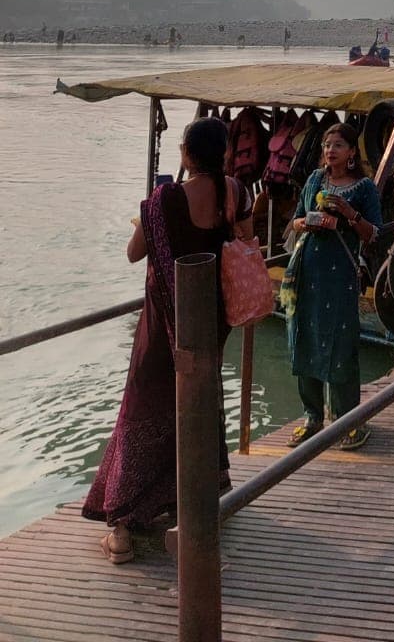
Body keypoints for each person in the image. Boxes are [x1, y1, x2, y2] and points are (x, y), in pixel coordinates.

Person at [83, 117, 253, 564]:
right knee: (197, 401)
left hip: (164, 327)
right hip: (210, 321)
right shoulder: (235, 192)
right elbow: (245, 240)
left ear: (186, 153)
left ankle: (122, 527)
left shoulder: (164, 199)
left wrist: (147, 217)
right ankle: (192, 497)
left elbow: (133, 252)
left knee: (143, 405)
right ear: (223, 153)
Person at [282, 122, 382, 450]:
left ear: (352, 152)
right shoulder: (314, 180)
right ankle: (313, 417)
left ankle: (348, 421)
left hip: (340, 279)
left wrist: (348, 214)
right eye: (327, 145)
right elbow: (295, 221)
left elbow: (375, 234)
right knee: (305, 339)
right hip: (308, 273)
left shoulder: (364, 189)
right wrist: (309, 222)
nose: (330, 150)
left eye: (338, 145)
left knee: (341, 345)